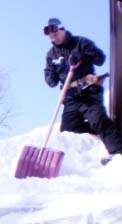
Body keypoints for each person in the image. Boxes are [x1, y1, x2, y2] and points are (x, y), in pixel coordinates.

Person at [43, 18, 122, 163]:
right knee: (69, 132)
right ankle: (107, 134)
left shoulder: (81, 42)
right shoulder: (51, 55)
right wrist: (49, 77)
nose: (51, 34)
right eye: (48, 32)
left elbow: (101, 59)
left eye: (54, 29)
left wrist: (84, 56)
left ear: (62, 29)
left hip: (88, 92)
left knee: (97, 120)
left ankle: (118, 152)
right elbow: (50, 77)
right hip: (70, 97)